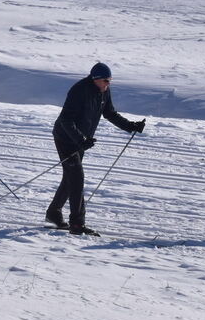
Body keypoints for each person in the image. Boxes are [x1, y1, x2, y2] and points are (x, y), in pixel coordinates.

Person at [48, 63, 145, 235]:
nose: (108, 84)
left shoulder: (104, 91)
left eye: (110, 80)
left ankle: (53, 214)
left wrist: (131, 126)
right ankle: (77, 224)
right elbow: (65, 120)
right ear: (96, 79)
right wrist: (80, 139)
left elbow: (110, 113)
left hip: (81, 140)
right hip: (66, 138)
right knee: (77, 178)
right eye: (106, 81)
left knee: (71, 178)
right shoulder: (79, 90)